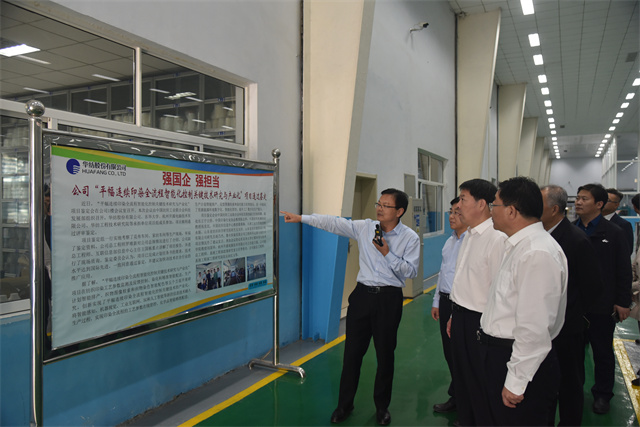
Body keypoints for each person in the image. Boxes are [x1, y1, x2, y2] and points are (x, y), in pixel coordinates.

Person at [281, 188, 420, 426]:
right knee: (352, 354)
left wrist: (387, 253)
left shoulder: (410, 238)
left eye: (386, 206)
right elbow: (334, 223)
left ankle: (382, 407)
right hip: (362, 297)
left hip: (389, 299)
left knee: (385, 355)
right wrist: (302, 218)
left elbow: (411, 271)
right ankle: (344, 405)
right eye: (379, 203)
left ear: (399, 211)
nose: (379, 208)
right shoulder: (366, 227)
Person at [480, 177, 568, 425]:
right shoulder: (520, 246)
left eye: (494, 205)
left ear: (511, 211)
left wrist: (516, 382)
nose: (490, 211)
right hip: (504, 356)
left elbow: (534, 328)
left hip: (520, 363)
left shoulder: (536, 253)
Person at [540, 185, 603, 426]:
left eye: (539, 204)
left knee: (569, 384)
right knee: (545, 383)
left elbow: (592, 287)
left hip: (567, 327)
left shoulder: (576, 240)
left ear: (554, 209)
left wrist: (574, 314)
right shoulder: (541, 236)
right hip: (544, 326)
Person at [448, 179, 507, 426]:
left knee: (481, 382)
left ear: (482, 204)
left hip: (481, 321)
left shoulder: (497, 238)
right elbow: (464, 280)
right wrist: (454, 314)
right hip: (461, 316)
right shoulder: (469, 235)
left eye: (463, 199)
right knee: (463, 377)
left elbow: (499, 290)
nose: (458, 206)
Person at [574, 183, 632, 414]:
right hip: (575, 305)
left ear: (599, 204)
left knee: (602, 352)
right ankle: (573, 390)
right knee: (573, 352)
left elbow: (623, 269)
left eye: (584, 199)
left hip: (602, 305)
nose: (578, 202)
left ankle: (602, 394)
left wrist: (622, 301)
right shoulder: (571, 230)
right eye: (578, 198)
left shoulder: (614, 233)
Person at [431, 197, 467, 414]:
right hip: (445, 302)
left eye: (457, 212)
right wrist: (436, 301)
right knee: (450, 353)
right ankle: (456, 397)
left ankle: (467, 405)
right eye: (450, 212)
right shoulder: (450, 241)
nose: (452, 217)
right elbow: (442, 273)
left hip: (462, 304)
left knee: (463, 356)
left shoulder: (472, 242)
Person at [603, 188, 633, 255]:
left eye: (607, 200)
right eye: (602, 199)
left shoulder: (623, 225)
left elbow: (627, 251)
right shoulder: (591, 221)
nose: (602, 202)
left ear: (616, 205)